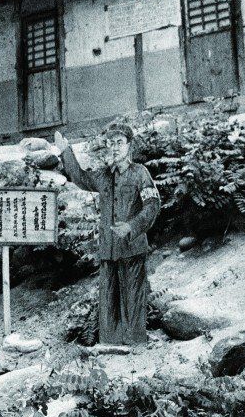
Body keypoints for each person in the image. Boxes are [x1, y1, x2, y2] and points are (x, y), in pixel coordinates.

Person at [29, 122, 160, 346]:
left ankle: (136, 343)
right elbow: (80, 177)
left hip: (132, 246)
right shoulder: (102, 176)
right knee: (108, 298)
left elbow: (152, 204)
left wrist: (132, 226)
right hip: (108, 249)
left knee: (132, 295)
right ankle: (110, 344)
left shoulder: (140, 173)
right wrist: (65, 151)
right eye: (111, 143)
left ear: (129, 146)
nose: (115, 148)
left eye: (120, 143)